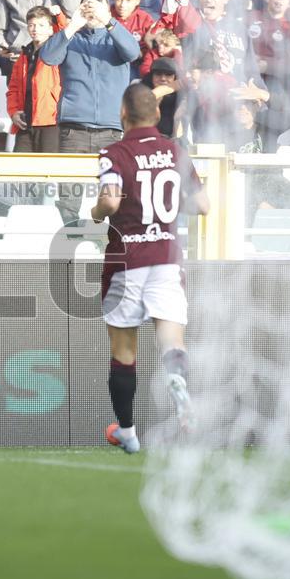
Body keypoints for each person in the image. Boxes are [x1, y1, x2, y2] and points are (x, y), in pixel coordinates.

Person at [90, 83, 209, 454]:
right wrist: (169, 210)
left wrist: (95, 213)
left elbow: (110, 202)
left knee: (124, 352)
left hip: (127, 260)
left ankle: (127, 430)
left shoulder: (113, 153)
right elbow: (202, 205)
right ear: (157, 114)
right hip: (166, 259)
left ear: (123, 114)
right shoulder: (177, 151)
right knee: (172, 341)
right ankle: (178, 384)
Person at [40, 0, 140, 221]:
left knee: (114, 194)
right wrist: (73, 25)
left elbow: (132, 52)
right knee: (69, 197)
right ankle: (69, 243)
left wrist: (108, 21)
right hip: (73, 129)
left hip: (112, 130)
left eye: (97, 7)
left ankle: (107, 242)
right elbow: (47, 57)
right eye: (87, 7)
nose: (92, 12)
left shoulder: (116, 35)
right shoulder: (70, 37)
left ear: (107, 7)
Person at [6, 5, 62, 152]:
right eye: (31, 25)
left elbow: (67, 34)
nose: (35, 29)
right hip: (25, 121)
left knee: (49, 170)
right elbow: (13, 88)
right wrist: (13, 112)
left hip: (51, 121)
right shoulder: (24, 55)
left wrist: (59, 16)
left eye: (41, 25)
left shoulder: (58, 51)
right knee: (20, 170)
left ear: (51, 29)